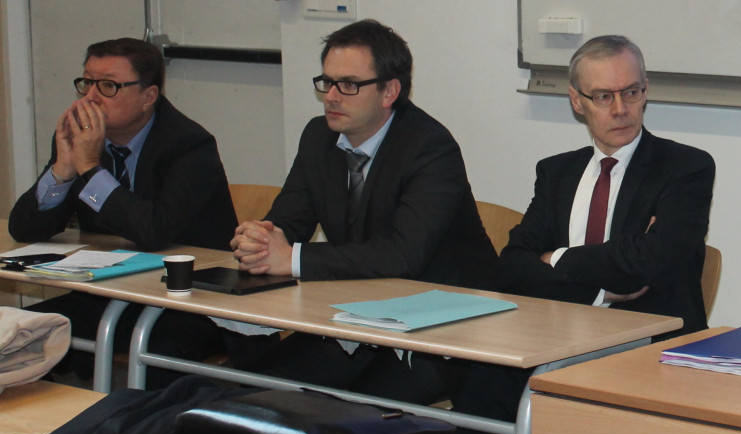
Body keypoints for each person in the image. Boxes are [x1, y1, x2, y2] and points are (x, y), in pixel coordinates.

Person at [456, 35, 716, 434]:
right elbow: (512, 267)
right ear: (577, 101)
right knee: (481, 384)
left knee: (560, 400)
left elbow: (648, 264)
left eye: (631, 92)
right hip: (557, 339)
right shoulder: (557, 173)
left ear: (645, 91)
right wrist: (595, 286)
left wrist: (556, 258)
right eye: (603, 96)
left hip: (647, 348)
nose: (620, 109)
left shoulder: (685, 168)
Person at [230, 19, 497, 404]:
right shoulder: (319, 136)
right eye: (327, 82)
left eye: (349, 85)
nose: (332, 97)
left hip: (441, 330)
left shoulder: (430, 148)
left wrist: (292, 258)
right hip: (358, 318)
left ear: (390, 90)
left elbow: (401, 254)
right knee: (257, 389)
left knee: (347, 413)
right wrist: (260, 238)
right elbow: (288, 221)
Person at [8, 38, 240, 388]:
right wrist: (63, 169)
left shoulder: (190, 145)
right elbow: (24, 228)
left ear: (149, 97)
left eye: (109, 86)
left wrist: (89, 168)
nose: (91, 98)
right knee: (18, 332)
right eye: (87, 83)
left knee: (160, 352)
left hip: (191, 302)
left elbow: (154, 231)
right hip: (112, 291)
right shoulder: (88, 139)